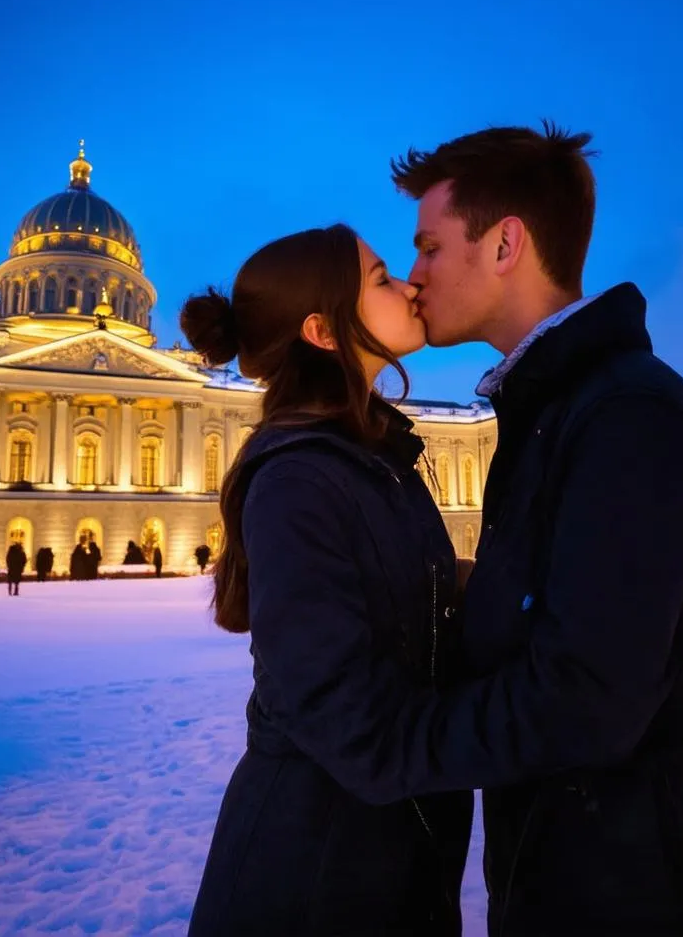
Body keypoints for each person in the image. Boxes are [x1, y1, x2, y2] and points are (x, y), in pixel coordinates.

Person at [383, 123, 683, 934]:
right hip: (584, 872)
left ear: (505, 245)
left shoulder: (626, 417)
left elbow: (585, 700)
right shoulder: (555, 413)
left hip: (643, 894)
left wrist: (392, 739)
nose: (414, 276)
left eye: (427, 247)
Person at [181, 224, 473, 935]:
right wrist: (529, 724)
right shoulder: (300, 478)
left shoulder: (364, 456)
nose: (407, 283)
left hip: (373, 861)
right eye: (380, 279)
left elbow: (397, 606)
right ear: (322, 329)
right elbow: (349, 721)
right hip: (312, 880)